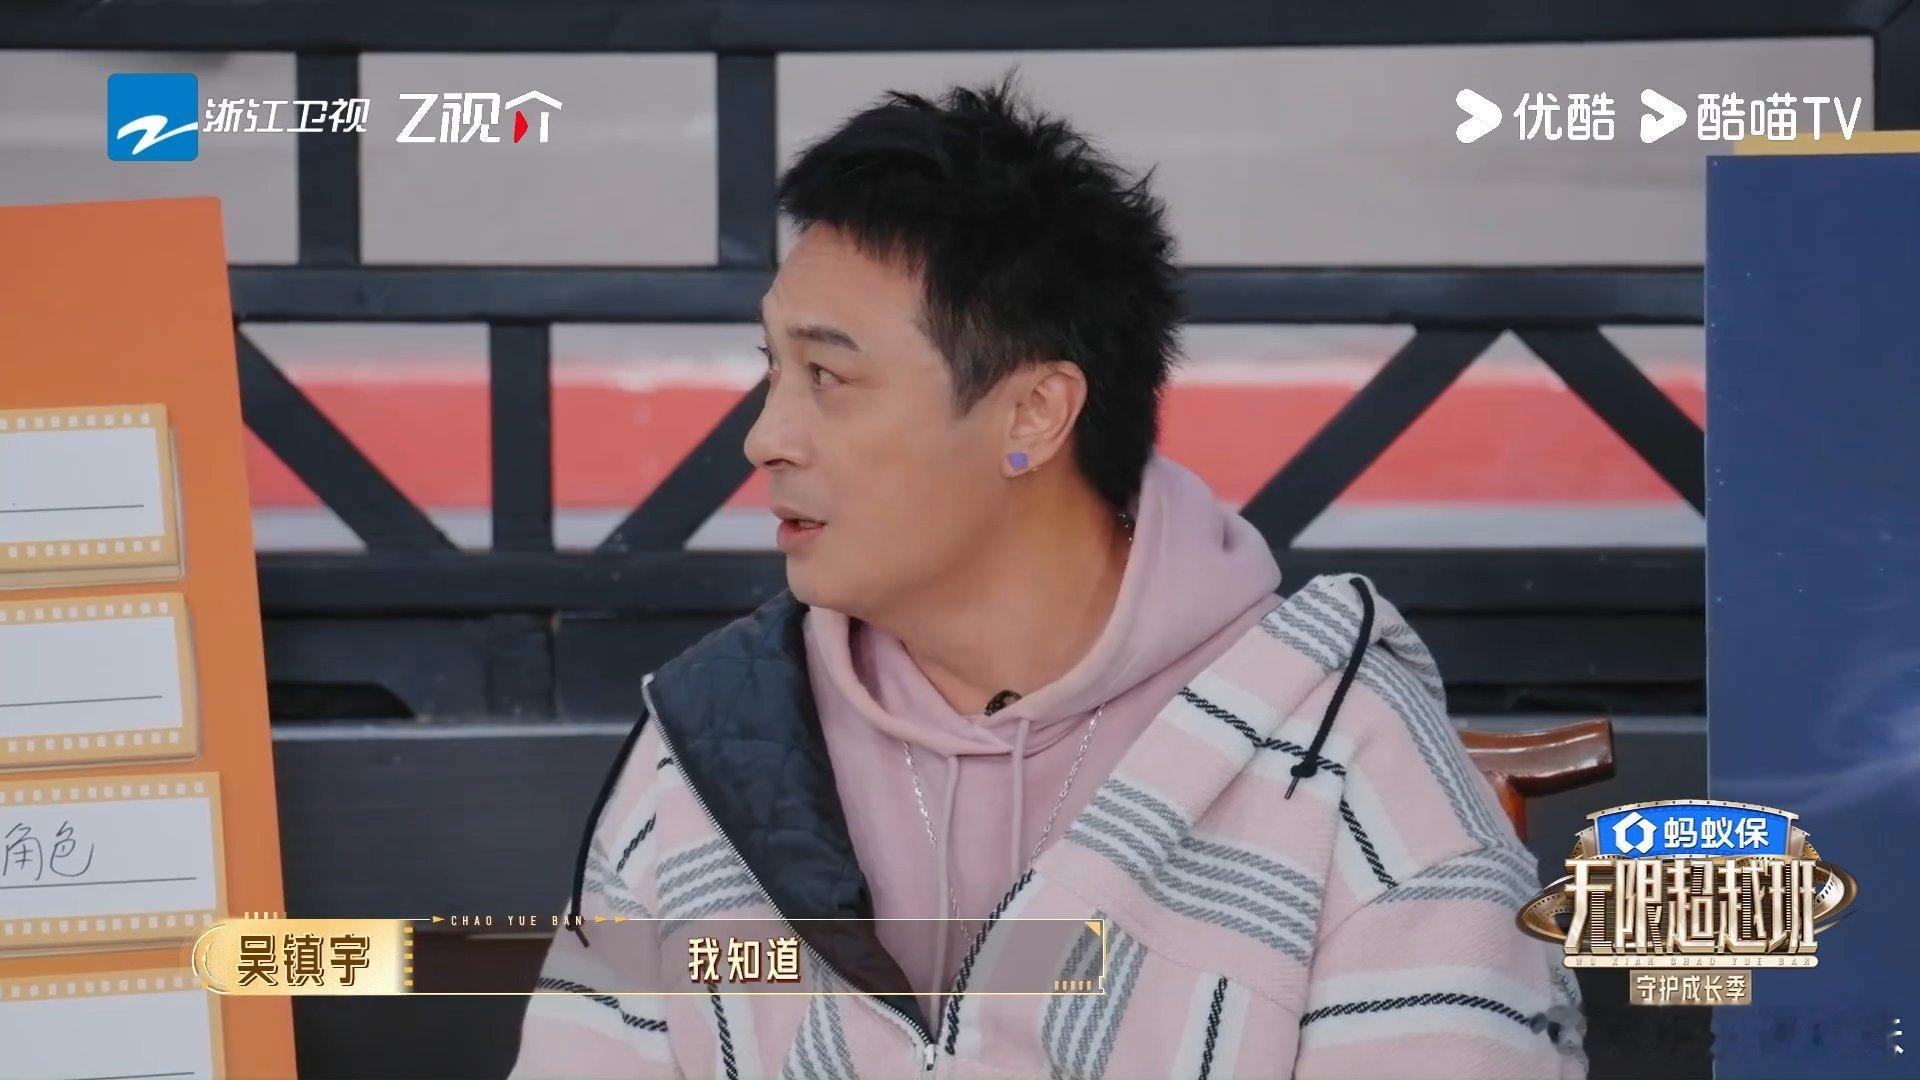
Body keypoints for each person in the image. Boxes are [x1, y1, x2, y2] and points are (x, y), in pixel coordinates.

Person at [510, 73, 1585, 1080]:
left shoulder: (1344, 762)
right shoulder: (707, 750)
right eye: (772, 369)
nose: (765, 437)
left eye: (828, 375)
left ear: (1033, 413)